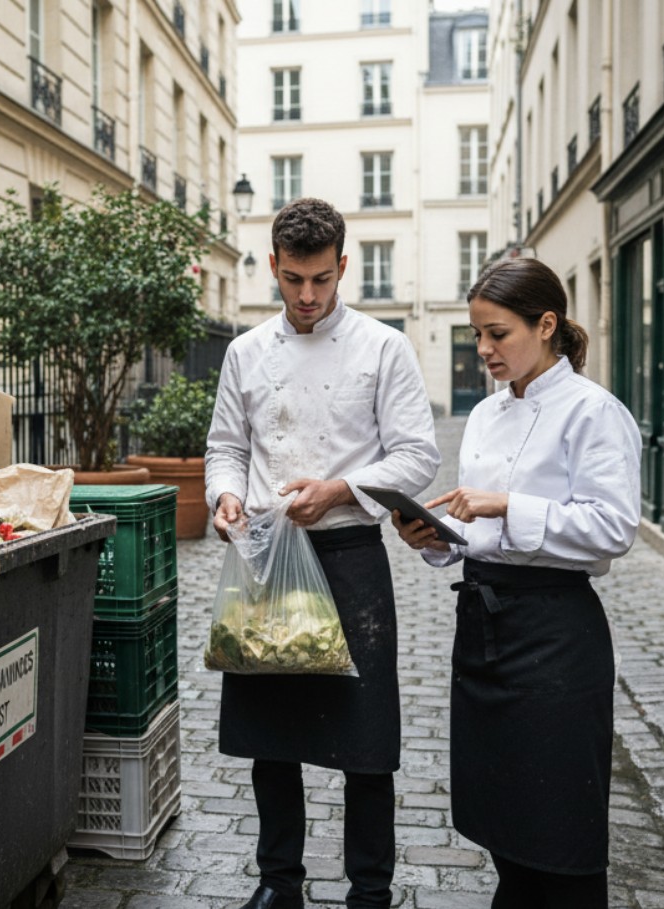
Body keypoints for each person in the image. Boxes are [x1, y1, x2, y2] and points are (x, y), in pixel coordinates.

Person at [206, 197, 440, 909]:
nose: (307, 297)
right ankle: (280, 883)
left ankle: (371, 889)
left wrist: (341, 486)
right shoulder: (245, 352)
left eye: (321, 280)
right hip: (269, 558)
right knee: (270, 734)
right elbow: (226, 448)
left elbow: (418, 456)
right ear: (274, 267)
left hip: (350, 558)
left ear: (344, 267)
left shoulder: (383, 347)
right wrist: (223, 496)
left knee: (367, 739)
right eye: (293, 280)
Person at [392, 256, 640, 908]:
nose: (484, 349)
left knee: (562, 829)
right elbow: (479, 535)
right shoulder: (484, 415)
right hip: (483, 630)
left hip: (556, 636)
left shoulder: (594, 412)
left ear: (547, 324)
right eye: (477, 334)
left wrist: (506, 504)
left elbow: (613, 528)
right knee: (504, 819)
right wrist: (434, 538)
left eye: (497, 333)